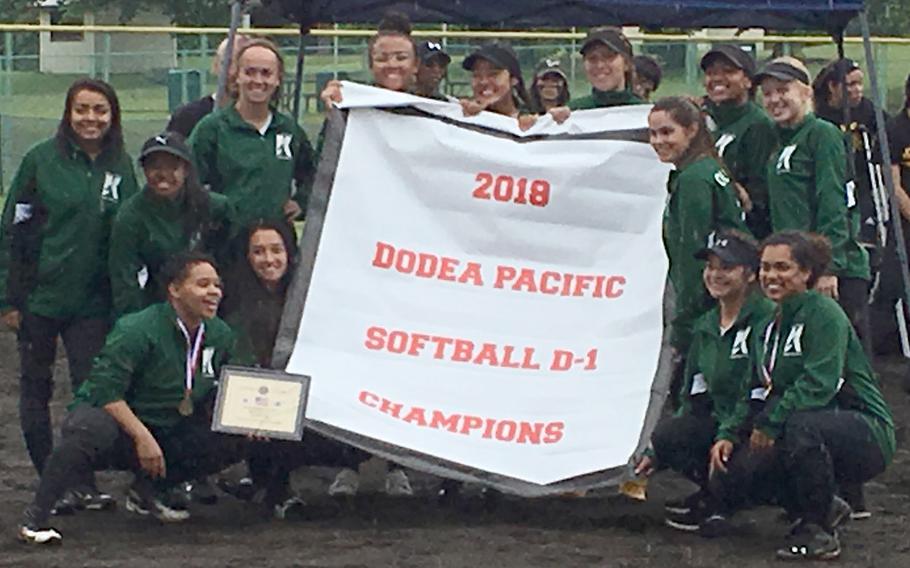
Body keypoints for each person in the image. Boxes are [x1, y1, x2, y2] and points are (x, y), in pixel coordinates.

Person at [18, 252, 247, 544]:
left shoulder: (220, 334)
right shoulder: (137, 329)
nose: (214, 291)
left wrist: (249, 418)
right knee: (90, 428)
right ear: (174, 290)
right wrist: (142, 436)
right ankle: (35, 518)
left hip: (169, 426)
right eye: (203, 284)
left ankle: (149, 490)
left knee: (235, 435)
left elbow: (230, 386)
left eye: (217, 285)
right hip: (119, 425)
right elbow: (104, 391)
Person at [0, 79, 138, 509]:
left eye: (100, 110)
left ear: (112, 116)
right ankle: (50, 482)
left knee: (91, 392)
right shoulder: (40, 161)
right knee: (36, 390)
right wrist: (7, 299)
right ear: (68, 113)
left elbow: (131, 231)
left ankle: (81, 479)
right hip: (40, 300)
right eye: (82, 109)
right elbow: (12, 232)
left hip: (93, 305)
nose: (91, 119)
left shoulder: (120, 166)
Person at [749, 231, 893, 560]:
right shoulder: (769, 323)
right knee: (744, 460)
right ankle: (825, 504)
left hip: (863, 427)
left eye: (782, 267)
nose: (771, 276)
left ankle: (819, 530)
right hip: (812, 422)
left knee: (799, 427)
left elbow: (820, 384)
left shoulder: (825, 313)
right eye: (765, 267)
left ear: (806, 273)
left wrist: (770, 423)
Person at [635, 231, 774, 535]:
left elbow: (758, 388)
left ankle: (785, 502)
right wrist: (657, 451)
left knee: (740, 464)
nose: (715, 275)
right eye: (710, 267)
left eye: (726, 267)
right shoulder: (706, 325)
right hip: (723, 422)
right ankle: (714, 494)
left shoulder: (766, 319)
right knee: (671, 434)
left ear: (750, 275)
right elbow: (693, 393)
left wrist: (729, 433)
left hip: (758, 425)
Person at [757, 57, 872, 352]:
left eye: (783, 90)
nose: (774, 99)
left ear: (806, 92)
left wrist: (828, 268)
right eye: (768, 93)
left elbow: (834, 202)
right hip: (796, 270)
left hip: (830, 271)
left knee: (839, 363)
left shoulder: (822, 134)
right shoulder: (779, 140)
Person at [649, 96, 749, 361]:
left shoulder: (694, 179)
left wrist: (684, 321)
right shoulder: (706, 167)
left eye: (667, 132)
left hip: (706, 304)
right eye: (653, 133)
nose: (658, 141)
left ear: (692, 130)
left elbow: (692, 253)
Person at [189, 37, 315, 247]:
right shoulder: (213, 128)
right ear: (236, 76)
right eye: (249, 72)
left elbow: (316, 174)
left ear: (278, 79)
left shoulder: (288, 130)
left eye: (266, 73)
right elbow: (188, 180)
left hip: (276, 248)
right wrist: (221, 208)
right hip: (227, 245)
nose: (258, 80)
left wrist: (301, 202)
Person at [109, 132, 230, 317]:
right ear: (144, 170)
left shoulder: (212, 205)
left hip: (211, 302)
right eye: (154, 167)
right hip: (158, 305)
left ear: (186, 170)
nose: (163, 175)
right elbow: (124, 281)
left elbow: (233, 246)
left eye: (173, 167)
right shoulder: (130, 216)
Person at [701, 45, 777, 239]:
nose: (717, 78)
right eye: (711, 73)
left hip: (742, 233)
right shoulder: (704, 119)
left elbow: (759, 195)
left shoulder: (758, 124)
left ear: (748, 81)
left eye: (728, 71)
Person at [814, 59, 888, 254]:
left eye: (860, 83)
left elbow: (889, 131)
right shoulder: (819, 114)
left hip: (862, 181)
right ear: (833, 86)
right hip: (832, 180)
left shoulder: (867, 109)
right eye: (850, 85)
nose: (858, 90)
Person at [166, 34, 249, 138]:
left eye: (242, 65)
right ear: (215, 65)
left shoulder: (264, 122)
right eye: (227, 63)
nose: (233, 72)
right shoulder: (187, 118)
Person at [460, 42, 534, 120]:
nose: (483, 81)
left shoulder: (529, 124)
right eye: (476, 75)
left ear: (513, 79)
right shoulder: (461, 118)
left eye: (493, 74)